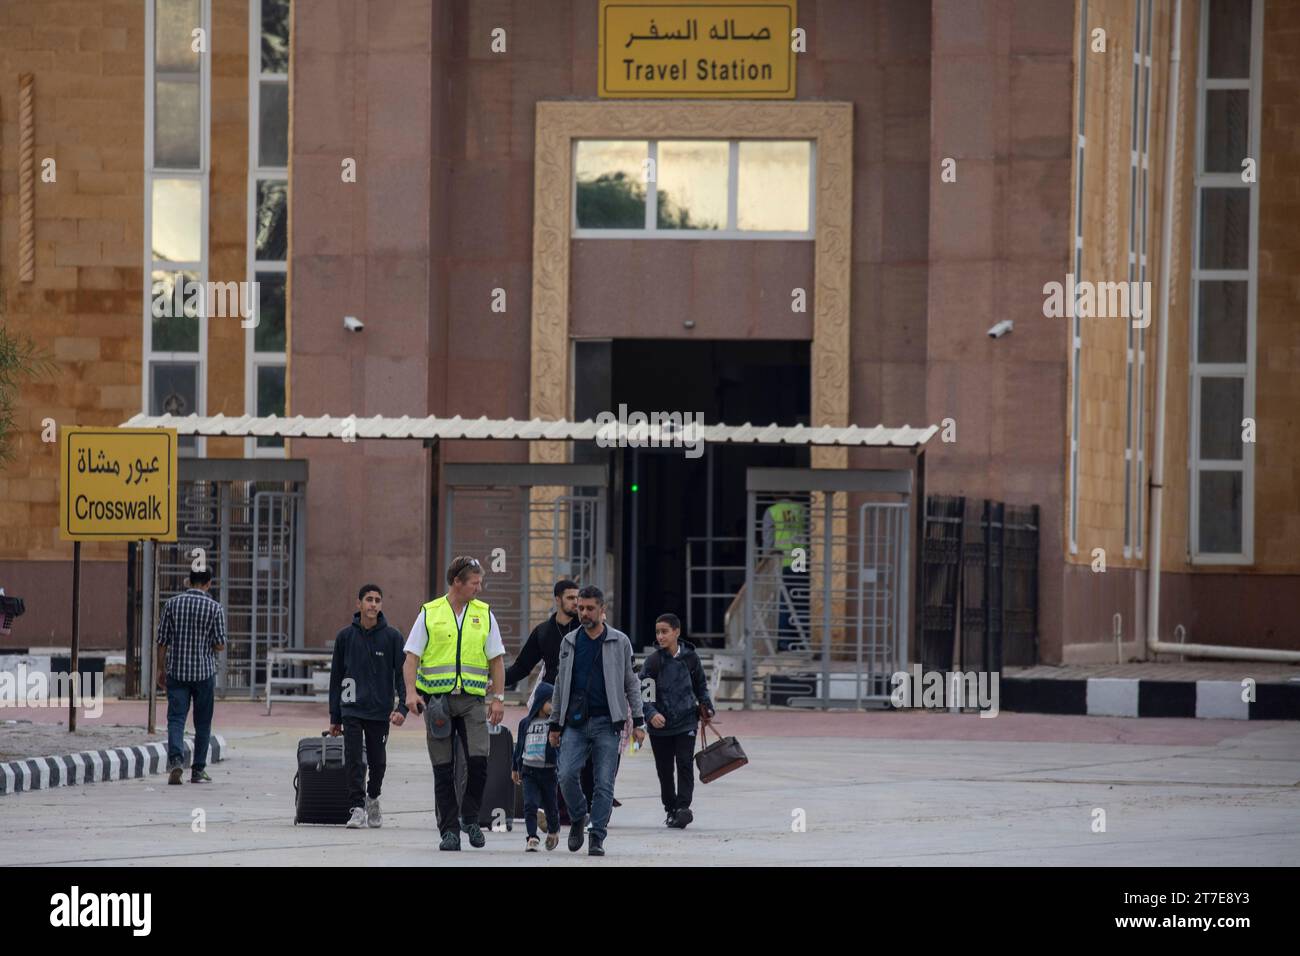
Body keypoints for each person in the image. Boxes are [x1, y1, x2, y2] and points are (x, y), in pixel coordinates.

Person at [403, 555, 506, 851]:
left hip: (473, 701)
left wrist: (498, 699)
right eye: (474, 583)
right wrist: (411, 692)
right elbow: (411, 658)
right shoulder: (430, 612)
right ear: (457, 582)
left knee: (479, 762)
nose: (479, 588)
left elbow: (496, 660)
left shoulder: (484, 613)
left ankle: (469, 818)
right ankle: (448, 830)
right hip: (438, 703)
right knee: (443, 769)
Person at [547, 585, 644, 857]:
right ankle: (579, 816)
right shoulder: (569, 642)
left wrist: (639, 720)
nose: (584, 613)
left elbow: (631, 682)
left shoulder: (619, 641)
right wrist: (555, 723)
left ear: (603, 610)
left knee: (604, 783)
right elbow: (559, 684)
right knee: (565, 775)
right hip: (574, 724)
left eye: (590, 608)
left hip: (607, 723)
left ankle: (597, 835)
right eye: (580, 608)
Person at [329, 584, 408, 828]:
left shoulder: (392, 637)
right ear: (359, 604)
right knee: (354, 759)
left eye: (377, 600)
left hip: (379, 711)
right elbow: (336, 677)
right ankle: (357, 808)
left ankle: (373, 797)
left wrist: (402, 707)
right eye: (369, 599)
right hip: (351, 708)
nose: (373, 604)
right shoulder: (345, 637)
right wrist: (335, 715)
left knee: (378, 762)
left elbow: (402, 675)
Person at [641, 612, 715, 829]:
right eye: (657, 632)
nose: (661, 636)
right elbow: (645, 697)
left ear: (677, 632)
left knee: (684, 765)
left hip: (686, 723)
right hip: (660, 728)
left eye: (665, 632)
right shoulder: (652, 662)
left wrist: (707, 706)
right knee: (664, 770)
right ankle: (670, 808)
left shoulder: (691, 658)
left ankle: (683, 808)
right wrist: (651, 714)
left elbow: (701, 686)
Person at [155, 567, 226, 785]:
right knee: (202, 723)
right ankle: (198, 770)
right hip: (203, 673)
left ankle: (176, 760)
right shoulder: (215, 608)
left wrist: (160, 669)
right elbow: (220, 644)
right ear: (209, 583)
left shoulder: (172, 604)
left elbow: (162, 640)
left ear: (189, 581)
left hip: (176, 672)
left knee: (176, 719)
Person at [511, 681, 560, 851]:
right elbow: (519, 748)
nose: (553, 706)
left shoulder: (554, 724)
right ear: (540, 701)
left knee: (551, 805)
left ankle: (553, 831)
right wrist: (515, 768)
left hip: (548, 771)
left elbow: (560, 746)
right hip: (528, 770)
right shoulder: (525, 723)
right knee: (530, 804)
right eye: (550, 702)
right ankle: (532, 837)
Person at [762, 496, 809, 650]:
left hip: (782, 560)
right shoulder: (802, 510)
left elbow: (768, 542)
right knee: (801, 600)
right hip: (800, 557)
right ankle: (803, 639)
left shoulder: (772, 511)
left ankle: (785, 642)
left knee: (783, 602)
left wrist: (764, 563)